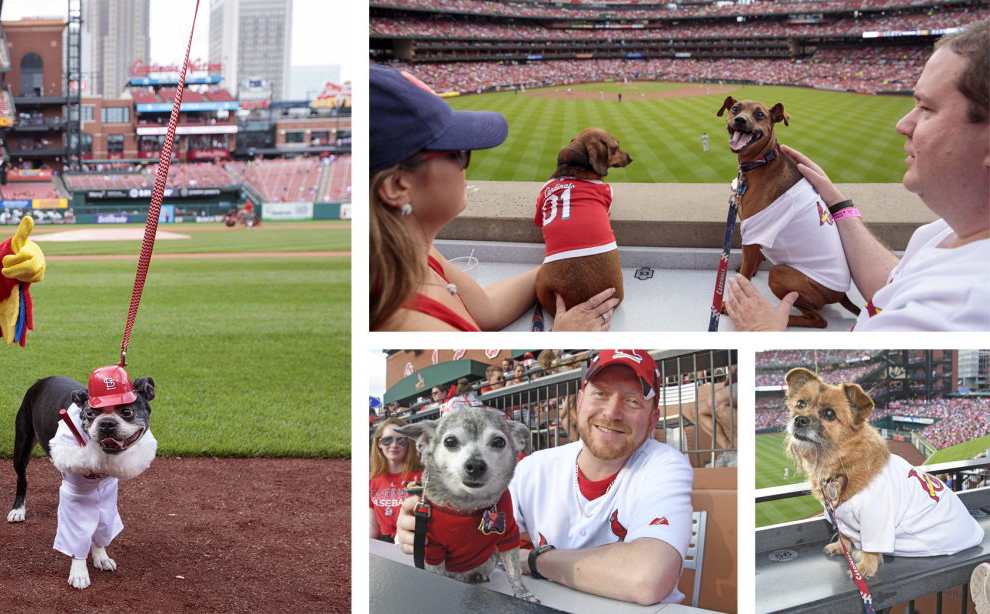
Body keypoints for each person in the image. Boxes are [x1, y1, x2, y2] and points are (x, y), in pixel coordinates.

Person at [727, 20, 990, 331]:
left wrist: (764, 333)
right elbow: (892, 284)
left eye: (927, 108)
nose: (902, 124)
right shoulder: (944, 232)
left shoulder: (948, 316)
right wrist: (837, 202)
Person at [396, 350, 693, 605]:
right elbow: (469, 530)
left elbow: (646, 578)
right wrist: (418, 525)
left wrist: (536, 560)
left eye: (632, 401)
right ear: (580, 402)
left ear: (653, 419)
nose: (612, 412)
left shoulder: (665, 465)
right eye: (601, 393)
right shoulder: (534, 467)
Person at [369, 64, 617, 332]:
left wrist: (571, 261)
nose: (466, 163)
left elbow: (488, 308)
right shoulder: (416, 326)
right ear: (397, 186)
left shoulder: (407, 252)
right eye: (457, 152)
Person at [370, 418, 423, 543]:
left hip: (414, 539)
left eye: (401, 440)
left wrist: (422, 495)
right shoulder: (370, 479)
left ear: (408, 444)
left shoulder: (423, 476)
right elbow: (372, 525)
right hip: (385, 542)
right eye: (387, 440)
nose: (394, 445)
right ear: (379, 443)